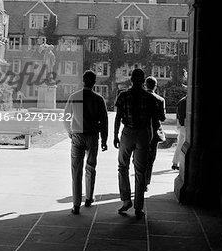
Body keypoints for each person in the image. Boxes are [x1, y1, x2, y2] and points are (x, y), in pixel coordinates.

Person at [114, 68, 159, 218]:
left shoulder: (123, 96)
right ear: (143, 80)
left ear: (131, 80)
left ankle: (126, 200)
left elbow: (118, 117)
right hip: (143, 133)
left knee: (122, 166)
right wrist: (150, 137)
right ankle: (139, 207)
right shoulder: (150, 98)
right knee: (140, 171)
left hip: (127, 132)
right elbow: (154, 121)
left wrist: (115, 135)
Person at [64, 70, 108, 215]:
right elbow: (104, 121)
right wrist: (105, 139)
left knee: (76, 170)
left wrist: (69, 131)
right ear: (94, 81)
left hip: (77, 135)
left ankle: (76, 204)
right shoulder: (99, 99)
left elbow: (66, 117)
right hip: (93, 136)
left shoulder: (74, 96)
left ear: (83, 80)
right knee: (91, 167)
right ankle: (89, 197)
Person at [144, 76, 166, 189]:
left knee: (139, 158)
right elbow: (162, 118)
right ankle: (146, 182)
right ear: (155, 86)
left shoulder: (140, 98)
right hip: (154, 132)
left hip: (141, 132)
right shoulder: (160, 100)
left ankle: (140, 179)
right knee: (151, 158)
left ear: (145, 85)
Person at [172, 95, 187, 170]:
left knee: (180, 144)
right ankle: (177, 162)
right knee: (183, 144)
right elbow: (181, 115)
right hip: (184, 126)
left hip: (183, 125)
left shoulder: (182, 101)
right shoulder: (184, 101)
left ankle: (175, 162)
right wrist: (183, 124)